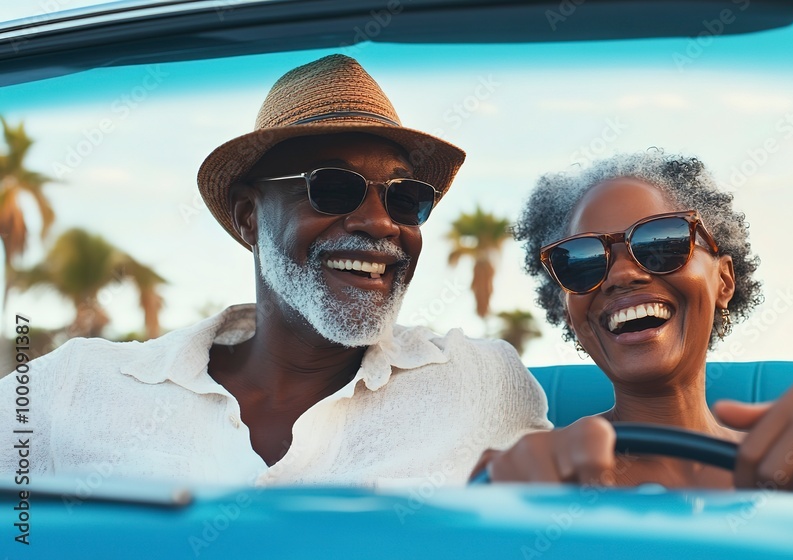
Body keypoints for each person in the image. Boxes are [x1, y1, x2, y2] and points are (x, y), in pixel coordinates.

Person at [0, 55, 550, 487]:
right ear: (248, 216)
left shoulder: (482, 383)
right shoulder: (71, 390)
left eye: (406, 198)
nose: (381, 223)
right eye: (334, 188)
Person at [478, 150, 793, 512]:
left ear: (724, 280)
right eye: (581, 261)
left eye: (662, 241)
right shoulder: (541, 477)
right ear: (567, 308)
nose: (623, 274)